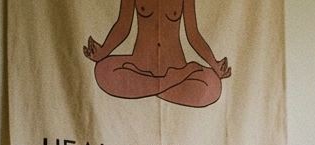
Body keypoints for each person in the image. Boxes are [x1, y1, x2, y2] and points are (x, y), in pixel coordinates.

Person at [83, 0, 231, 108]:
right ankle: (173, 79)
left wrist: (214, 64)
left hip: (176, 65)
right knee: (102, 70)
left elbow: (193, 35)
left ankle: (147, 87)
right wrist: (103, 51)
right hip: (140, 66)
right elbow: (123, 27)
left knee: (213, 86)